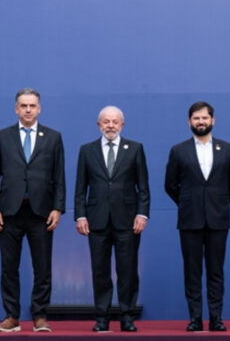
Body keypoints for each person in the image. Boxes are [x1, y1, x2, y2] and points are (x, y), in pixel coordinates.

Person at [0, 88, 66, 333]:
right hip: (9, 212)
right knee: (9, 267)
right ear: (16, 109)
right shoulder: (2, 136)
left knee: (43, 267)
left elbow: (59, 177)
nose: (28, 110)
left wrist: (58, 208)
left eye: (32, 106)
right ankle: (11, 316)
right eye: (23, 106)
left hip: (41, 212)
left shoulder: (53, 137)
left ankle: (40, 315)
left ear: (39, 109)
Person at [165, 102, 230, 332]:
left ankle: (216, 318)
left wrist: (218, 203)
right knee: (192, 271)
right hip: (190, 219)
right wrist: (189, 204)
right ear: (189, 122)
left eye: (205, 118)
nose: (201, 122)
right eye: (196, 118)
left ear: (213, 120)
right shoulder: (178, 150)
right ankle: (195, 318)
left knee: (216, 271)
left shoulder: (228, 149)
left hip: (218, 219)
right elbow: (170, 185)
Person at [74, 106, 150, 332]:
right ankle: (102, 318)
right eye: (106, 121)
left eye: (115, 122)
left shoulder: (135, 149)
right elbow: (80, 188)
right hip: (96, 220)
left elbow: (143, 187)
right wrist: (80, 215)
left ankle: (127, 317)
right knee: (100, 271)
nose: (110, 125)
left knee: (128, 271)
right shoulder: (87, 150)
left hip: (127, 221)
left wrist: (142, 214)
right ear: (99, 124)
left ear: (122, 125)